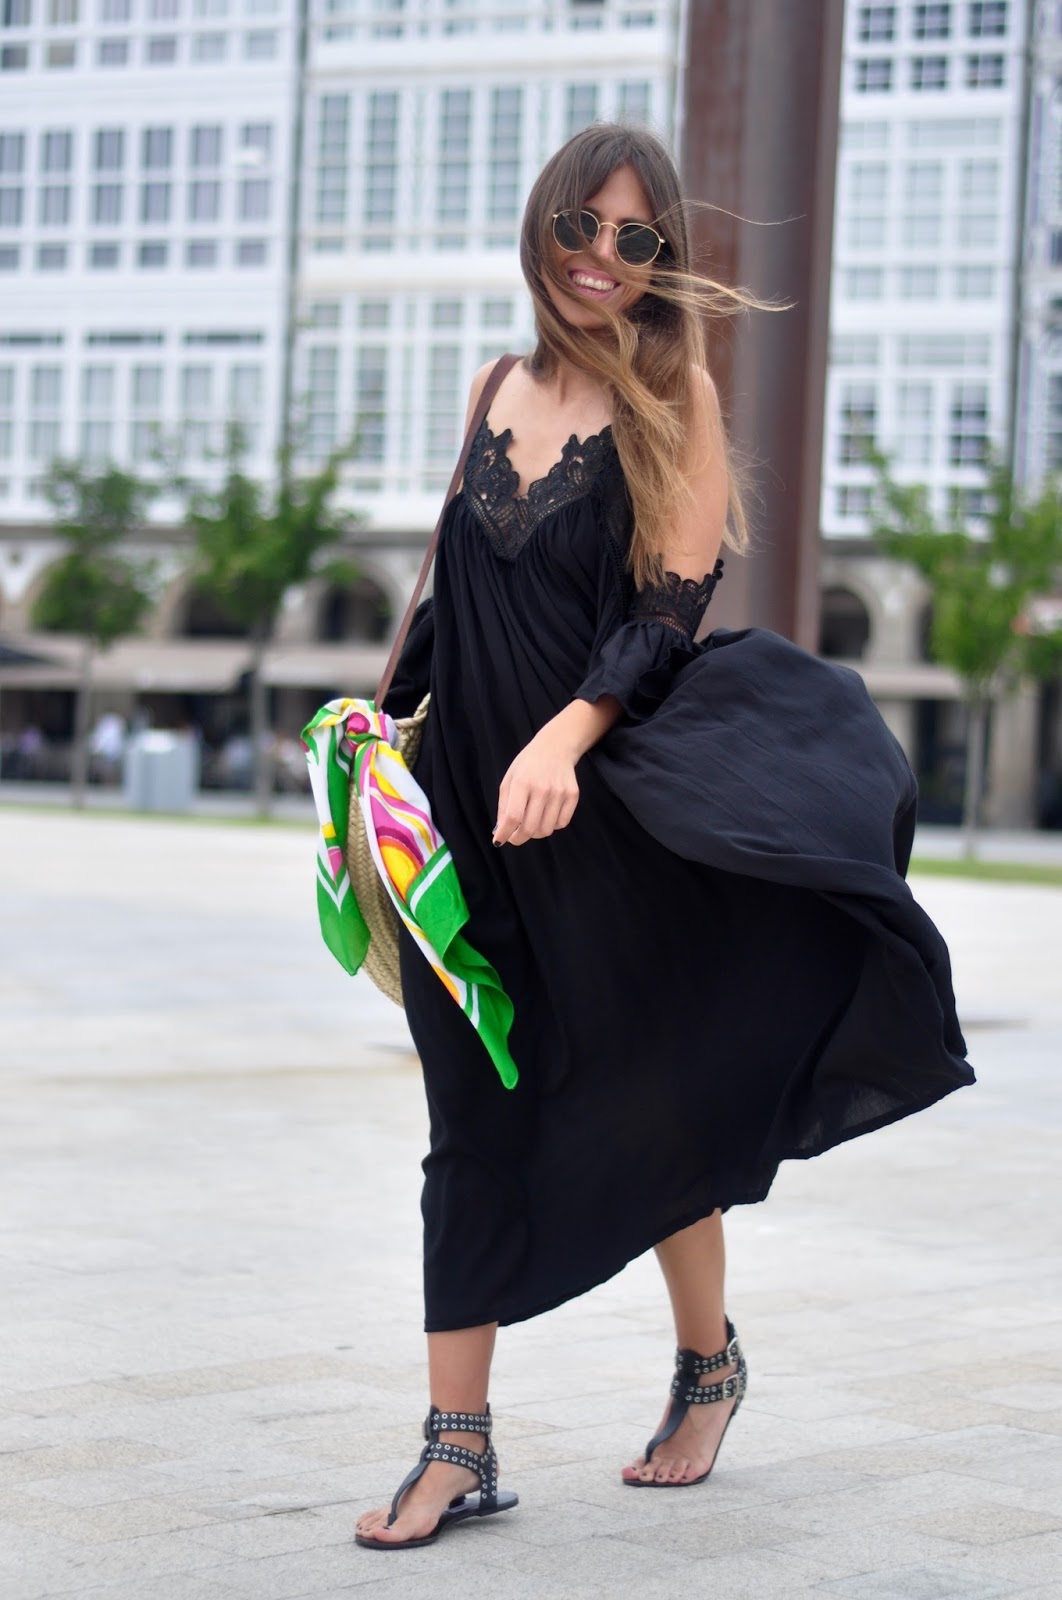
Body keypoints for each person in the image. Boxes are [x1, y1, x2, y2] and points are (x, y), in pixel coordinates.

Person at [354, 124, 973, 1551]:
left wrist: (562, 742)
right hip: (463, 819)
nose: (602, 257)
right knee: (467, 1122)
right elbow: (449, 596)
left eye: (636, 238)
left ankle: (707, 1365)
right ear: (542, 225)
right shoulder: (492, 387)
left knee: (647, 1104)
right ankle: (457, 1446)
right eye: (584, 224)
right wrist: (376, 732)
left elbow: (666, 613)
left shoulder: (672, 392)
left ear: (661, 259)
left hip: (598, 814)